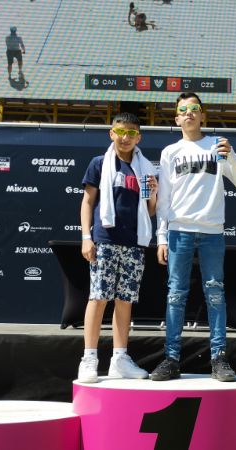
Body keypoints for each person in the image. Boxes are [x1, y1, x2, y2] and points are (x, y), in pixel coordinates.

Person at [151, 93, 236, 382]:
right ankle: (171, 359)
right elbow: (164, 198)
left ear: (203, 115)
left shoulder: (218, 145)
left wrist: (232, 156)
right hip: (178, 231)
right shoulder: (170, 152)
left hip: (212, 232)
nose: (189, 113)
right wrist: (161, 237)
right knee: (175, 295)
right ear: (176, 118)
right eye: (183, 110)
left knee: (215, 294)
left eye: (195, 108)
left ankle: (219, 358)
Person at [77, 112, 158, 383]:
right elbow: (88, 202)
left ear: (139, 137)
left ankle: (120, 359)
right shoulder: (99, 163)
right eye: (120, 132)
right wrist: (86, 237)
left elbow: (150, 210)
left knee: (125, 300)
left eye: (131, 133)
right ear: (111, 133)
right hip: (105, 239)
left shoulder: (145, 169)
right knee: (99, 297)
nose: (125, 137)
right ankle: (89, 358)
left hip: (134, 241)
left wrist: (154, 194)